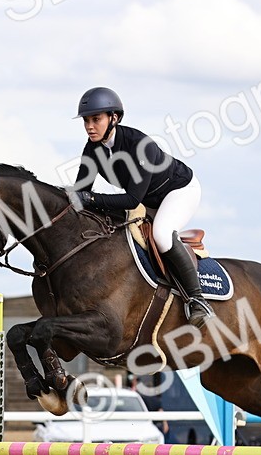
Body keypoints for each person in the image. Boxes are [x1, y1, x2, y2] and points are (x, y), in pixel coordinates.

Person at [68, 86, 213, 328]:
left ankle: (198, 300)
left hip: (179, 191)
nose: (89, 126)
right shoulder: (92, 149)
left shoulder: (139, 145)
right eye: (86, 120)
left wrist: (90, 200)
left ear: (114, 118)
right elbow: (81, 191)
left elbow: (132, 200)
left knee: (162, 235)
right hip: (148, 200)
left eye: (96, 119)